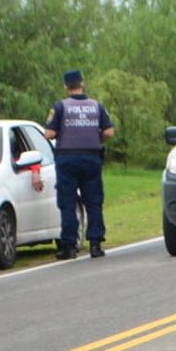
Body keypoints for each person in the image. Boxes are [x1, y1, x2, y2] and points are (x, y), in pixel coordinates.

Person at [44, 69, 114, 260]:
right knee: (93, 201)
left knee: (67, 202)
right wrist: (93, 135)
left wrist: (64, 132)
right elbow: (109, 132)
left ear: (65, 86)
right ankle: (96, 244)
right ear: (82, 83)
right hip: (91, 157)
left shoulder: (60, 107)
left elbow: (49, 134)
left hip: (67, 158)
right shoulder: (96, 106)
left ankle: (69, 246)